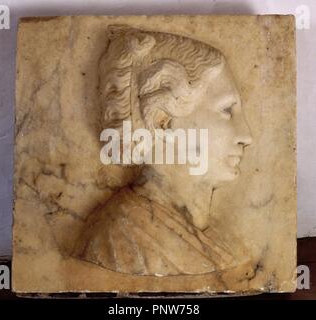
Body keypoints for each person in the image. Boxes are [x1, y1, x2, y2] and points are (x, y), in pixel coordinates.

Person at [74, 25, 253, 276]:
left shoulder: (220, 242)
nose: (247, 137)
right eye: (226, 111)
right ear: (162, 120)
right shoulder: (117, 240)